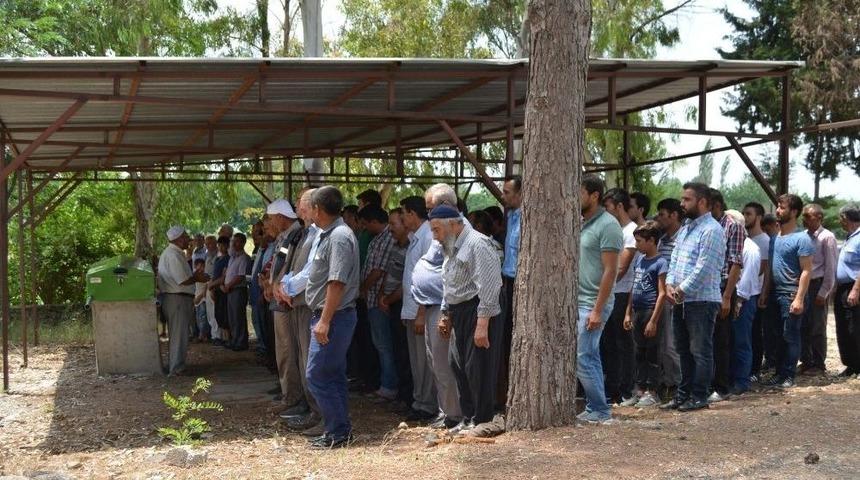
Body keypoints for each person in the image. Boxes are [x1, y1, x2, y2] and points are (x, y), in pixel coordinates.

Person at [430, 204, 503, 435]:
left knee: (477, 366)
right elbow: (449, 281)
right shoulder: (451, 244)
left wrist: (482, 325)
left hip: (479, 310)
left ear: (452, 225)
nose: (434, 236)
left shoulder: (477, 244)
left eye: (436, 230)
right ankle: (469, 416)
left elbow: (490, 286)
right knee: (458, 365)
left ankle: (483, 419)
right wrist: (445, 313)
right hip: (458, 311)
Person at [304, 186, 361, 449]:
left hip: (334, 317)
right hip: (330, 315)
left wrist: (324, 321)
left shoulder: (338, 236)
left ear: (317, 209)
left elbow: (336, 282)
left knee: (317, 374)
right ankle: (338, 431)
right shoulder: (331, 234)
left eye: (310, 208)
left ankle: (337, 431)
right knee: (333, 374)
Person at [661, 183, 725, 412]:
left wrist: (682, 288)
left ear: (702, 202)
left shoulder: (712, 230)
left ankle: (700, 395)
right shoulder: (686, 228)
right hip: (681, 299)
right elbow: (675, 260)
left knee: (700, 350)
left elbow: (705, 267)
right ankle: (683, 394)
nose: (681, 204)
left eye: (687, 199)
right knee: (683, 350)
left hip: (702, 300)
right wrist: (669, 284)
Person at [402, 193, 459, 429]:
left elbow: (450, 275)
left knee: (444, 363)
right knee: (433, 361)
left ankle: (453, 414)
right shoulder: (435, 233)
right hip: (429, 304)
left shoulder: (451, 235)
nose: (429, 214)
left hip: (439, 306)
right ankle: (445, 410)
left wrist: (426, 312)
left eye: (431, 208)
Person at [273, 192, 325, 436]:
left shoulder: (317, 234)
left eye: (300, 205)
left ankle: (317, 411)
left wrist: (285, 286)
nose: (298, 209)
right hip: (295, 300)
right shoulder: (302, 233)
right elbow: (288, 265)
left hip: (306, 302)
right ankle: (310, 408)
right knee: (301, 358)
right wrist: (279, 285)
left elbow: (308, 271)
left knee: (309, 361)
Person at [576, 175, 622, 424]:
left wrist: (597, 310)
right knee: (585, 355)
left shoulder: (608, 225)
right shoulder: (583, 223)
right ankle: (594, 406)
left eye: (580, 192)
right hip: (579, 300)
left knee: (585, 355)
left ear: (594, 195)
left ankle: (601, 409)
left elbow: (610, 270)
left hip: (593, 302)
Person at [759, 194, 814, 389]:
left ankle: (789, 375)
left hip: (791, 294)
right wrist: (766, 292)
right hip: (775, 293)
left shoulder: (802, 238)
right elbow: (770, 268)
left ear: (794, 212)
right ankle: (779, 373)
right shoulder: (775, 239)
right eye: (778, 207)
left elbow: (807, 269)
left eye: (782, 207)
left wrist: (799, 298)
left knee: (790, 335)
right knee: (776, 336)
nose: (778, 211)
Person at [623, 221, 668, 407]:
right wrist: (627, 313)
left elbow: (662, 293)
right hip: (638, 312)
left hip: (651, 311)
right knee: (639, 352)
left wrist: (654, 320)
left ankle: (653, 391)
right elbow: (634, 288)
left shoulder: (661, 262)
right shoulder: (640, 260)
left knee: (652, 352)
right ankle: (640, 390)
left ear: (651, 241)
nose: (636, 245)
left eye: (640, 241)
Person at [601, 188, 638, 405]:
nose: (606, 211)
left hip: (623, 293)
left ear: (619, 206)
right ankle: (612, 388)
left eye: (608, 207)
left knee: (623, 344)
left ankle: (626, 388)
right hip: (609, 293)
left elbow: (620, 268)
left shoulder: (631, 231)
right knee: (609, 344)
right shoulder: (613, 229)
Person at [709, 189, 746, 402]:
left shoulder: (732, 226)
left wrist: (727, 297)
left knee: (721, 339)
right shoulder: (705, 226)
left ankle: (721, 386)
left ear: (715, 205)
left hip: (723, 287)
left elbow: (735, 263)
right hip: (707, 287)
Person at [359, 205, 400, 401]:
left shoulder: (386, 240)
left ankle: (389, 386)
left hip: (378, 299)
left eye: (366, 224)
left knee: (384, 345)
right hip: (373, 298)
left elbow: (378, 271)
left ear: (374, 222)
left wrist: (363, 289)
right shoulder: (378, 239)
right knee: (379, 343)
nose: (364, 228)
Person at [158, 226, 208, 375]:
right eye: (186, 237)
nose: (189, 240)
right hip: (177, 298)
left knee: (177, 334)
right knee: (179, 334)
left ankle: (176, 365)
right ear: (179, 239)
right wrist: (197, 277)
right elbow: (182, 280)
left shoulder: (173, 253)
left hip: (175, 298)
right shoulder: (173, 255)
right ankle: (177, 368)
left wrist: (194, 275)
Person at [378, 208, 412, 407]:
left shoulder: (411, 247)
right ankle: (400, 394)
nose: (390, 228)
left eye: (393, 224)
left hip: (399, 303)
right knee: (395, 349)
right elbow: (388, 273)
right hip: (389, 301)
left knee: (404, 352)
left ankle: (406, 397)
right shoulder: (394, 245)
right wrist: (383, 294)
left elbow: (406, 282)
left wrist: (388, 299)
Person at [730, 206, 765, 396]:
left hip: (744, 300)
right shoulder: (733, 244)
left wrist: (738, 302)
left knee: (742, 341)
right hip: (733, 298)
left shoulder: (750, 248)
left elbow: (747, 278)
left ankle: (741, 381)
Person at [799, 204, 837, 375]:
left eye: (808, 216)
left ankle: (818, 363)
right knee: (803, 325)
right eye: (804, 216)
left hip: (817, 284)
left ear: (819, 217)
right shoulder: (803, 236)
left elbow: (830, 267)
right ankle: (806, 361)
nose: (805, 219)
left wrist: (824, 291)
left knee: (817, 326)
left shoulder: (827, 237)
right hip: (805, 285)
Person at [654, 198, 683, 399]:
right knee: (663, 345)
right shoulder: (662, 240)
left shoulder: (683, 238)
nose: (658, 218)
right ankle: (668, 382)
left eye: (662, 214)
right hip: (661, 297)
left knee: (674, 345)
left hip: (678, 297)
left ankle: (679, 386)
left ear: (674, 215)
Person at [742, 202, 772, 384]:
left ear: (759, 217)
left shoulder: (765, 241)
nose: (745, 217)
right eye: (743, 214)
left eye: (749, 214)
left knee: (754, 333)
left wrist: (764, 292)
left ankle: (755, 369)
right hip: (745, 291)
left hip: (756, 292)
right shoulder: (743, 238)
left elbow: (764, 270)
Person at [499, 174, 521, 408]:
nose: (503, 196)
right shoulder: (512, 216)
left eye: (507, 192)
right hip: (508, 280)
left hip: (519, 282)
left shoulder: (527, 218)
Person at [835, 204, 860, 377]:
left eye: (841, 218)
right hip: (843, 288)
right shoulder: (849, 237)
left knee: (855, 327)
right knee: (843, 327)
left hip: (854, 287)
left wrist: (856, 290)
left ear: (847, 218)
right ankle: (851, 364)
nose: (840, 222)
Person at [223, 232, 251, 351]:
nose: (234, 244)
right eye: (233, 241)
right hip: (230, 290)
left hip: (238, 289)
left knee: (238, 316)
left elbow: (240, 276)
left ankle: (241, 342)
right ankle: (235, 340)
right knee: (232, 317)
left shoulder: (244, 258)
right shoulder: (232, 258)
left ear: (243, 243)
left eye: (237, 241)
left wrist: (228, 285)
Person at [248, 220, 270, 358]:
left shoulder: (270, 248)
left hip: (264, 292)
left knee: (265, 323)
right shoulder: (258, 250)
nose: (256, 237)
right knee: (257, 320)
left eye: (260, 233)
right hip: (255, 291)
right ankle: (262, 347)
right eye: (254, 234)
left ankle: (267, 350)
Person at [208, 236, 232, 346]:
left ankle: (228, 338)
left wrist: (212, 284)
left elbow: (224, 276)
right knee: (217, 314)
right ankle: (222, 337)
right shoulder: (217, 259)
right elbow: (214, 276)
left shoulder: (228, 259)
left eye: (223, 244)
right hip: (216, 290)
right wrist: (212, 288)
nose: (221, 247)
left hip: (223, 289)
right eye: (219, 245)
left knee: (225, 315)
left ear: (227, 245)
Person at [202, 235, 221, 343]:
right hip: (208, 285)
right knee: (209, 312)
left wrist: (213, 287)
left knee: (215, 312)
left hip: (216, 286)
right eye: (206, 244)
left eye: (210, 243)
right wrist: (205, 289)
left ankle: (217, 336)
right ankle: (213, 335)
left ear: (215, 243)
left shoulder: (218, 256)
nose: (208, 246)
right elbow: (206, 274)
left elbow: (217, 274)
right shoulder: (207, 256)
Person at [192, 258, 211, 343]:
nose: (201, 268)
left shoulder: (206, 276)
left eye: (203, 266)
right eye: (199, 266)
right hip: (196, 299)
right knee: (198, 318)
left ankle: (202, 335)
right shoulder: (193, 276)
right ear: (195, 266)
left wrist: (200, 296)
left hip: (203, 299)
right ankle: (202, 334)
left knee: (203, 317)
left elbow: (207, 286)